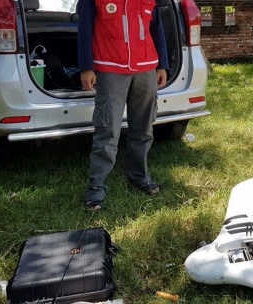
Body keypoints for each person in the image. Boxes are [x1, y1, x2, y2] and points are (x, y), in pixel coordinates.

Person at [78, 0, 170, 210]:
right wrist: (86, 66)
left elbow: (156, 28)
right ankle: (96, 188)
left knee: (143, 128)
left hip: (147, 68)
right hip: (111, 68)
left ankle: (139, 176)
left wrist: (162, 64)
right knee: (108, 130)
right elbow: (85, 28)